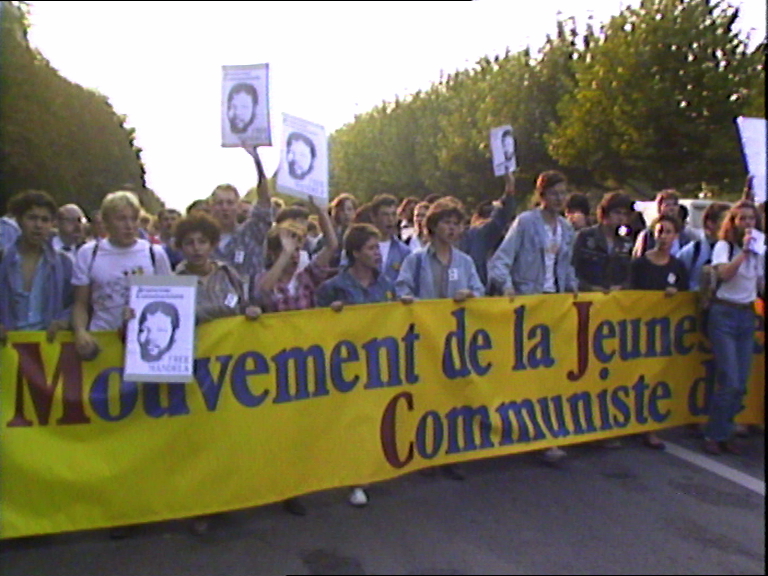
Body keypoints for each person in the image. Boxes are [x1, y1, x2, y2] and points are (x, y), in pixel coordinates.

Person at [171, 211, 261, 533]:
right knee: (198, 440)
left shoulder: (230, 273)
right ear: (180, 247)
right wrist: (221, 312)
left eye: (202, 242)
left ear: (212, 244)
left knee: (227, 434)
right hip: (196, 370)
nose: (196, 248)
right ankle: (201, 507)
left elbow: (245, 304)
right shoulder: (174, 282)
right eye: (189, 243)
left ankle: (230, 495)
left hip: (231, 367)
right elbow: (180, 318)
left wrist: (250, 311)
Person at [488, 170, 577, 463]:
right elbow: (500, 260)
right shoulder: (525, 223)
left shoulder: (566, 228)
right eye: (554, 194)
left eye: (563, 194)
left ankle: (546, 436)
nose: (560, 199)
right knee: (524, 375)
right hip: (528, 307)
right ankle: (514, 431)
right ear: (541, 196)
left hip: (556, 308)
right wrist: (510, 289)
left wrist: (574, 291)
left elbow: (567, 267)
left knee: (551, 376)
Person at [395, 198, 485, 480]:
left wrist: (469, 296)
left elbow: (480, 292)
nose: (452, 228)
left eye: (457, 223)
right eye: (447, 222)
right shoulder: (417, 260)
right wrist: (410, 301)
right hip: (424, 339)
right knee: (425, 396)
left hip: (457, 339)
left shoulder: (465, 261)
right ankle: (423, 453)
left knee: (453, 396)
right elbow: (401, 288)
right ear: (433, 226)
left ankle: (451, 453)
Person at [316, 223, 395, 507]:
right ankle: (354, 478)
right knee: (350, 422)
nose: (377, 253)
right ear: (355, 252)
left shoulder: (385, 284)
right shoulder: (333, 287)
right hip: (346, 368)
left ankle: (369, 471)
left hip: (378, 364)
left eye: (378, 248)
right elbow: (314, 326)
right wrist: (331, 315)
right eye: (372, 248)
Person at [71, 191, 172, 361]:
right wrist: (80, 332)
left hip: (143, 344)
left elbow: (169, 301)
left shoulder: (155, 254)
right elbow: (80, 303)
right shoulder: (89, 253)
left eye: (134, 219)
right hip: (102, 340)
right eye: (121, 219)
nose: (129, 225)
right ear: (106, 221)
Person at [702, 200, 765, 456]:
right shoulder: (724, 247)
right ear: (733, 222)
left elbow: (759, 285)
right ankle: (714, 434)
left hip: (746, 315)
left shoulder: (760, 252)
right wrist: (744, 253)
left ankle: (726, 430)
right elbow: (724, 274)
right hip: (724, 314)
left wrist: (756, 254)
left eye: (751, 219)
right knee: (729, 378)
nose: (747, 223)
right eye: (742, 219)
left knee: (741, 382)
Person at [629, 213, 690, 450]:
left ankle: (650, 427)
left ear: (676, 236)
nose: (663, 237)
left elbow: (686, 298)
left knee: (658, 378)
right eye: (659, 231)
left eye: (668, 232)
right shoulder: (640, 264)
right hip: (639, 331)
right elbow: (629, 296)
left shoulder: (678, 266)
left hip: (665, 334)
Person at [0, 190, 73, 344]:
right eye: (32, 218)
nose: (38, 225)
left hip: (47, 347)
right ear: (19, 221)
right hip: (6, 347)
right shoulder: (3, 260)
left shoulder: (63, 263)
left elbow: (75, 303)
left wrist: (63, 322)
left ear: (52, 224)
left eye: (45, 220)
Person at [209, 146, 272, 279]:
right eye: (219, 203)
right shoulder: (203, 242)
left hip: (249, 299)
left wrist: (257, 160)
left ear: (238, 206)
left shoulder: (251, 232)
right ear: (212, 207)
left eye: (230, 203)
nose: (225, 208)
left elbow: (264, 201)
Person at [459, 172, 517, 290]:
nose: (485, 222)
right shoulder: (424, 255)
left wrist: (509, 187)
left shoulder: (480, 236)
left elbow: (500, 218)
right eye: (447, 221)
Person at [571, 191, 634, 293]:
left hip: (613, 300)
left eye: (625, 214)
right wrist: (589, 288)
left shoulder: (626, 244)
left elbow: (629, 276)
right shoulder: (585, 236)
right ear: (605, 213)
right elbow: (572, 270)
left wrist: (621, 287)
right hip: (587, 298)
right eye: (617, 212)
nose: (620, 218)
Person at [675, 202, 731, 289]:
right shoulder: (692, 252)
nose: (730, 226)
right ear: (710, 223)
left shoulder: (734, 250)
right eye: (725, 221)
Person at [633, 189, 697, 257]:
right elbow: (639, 258)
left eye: (675, 204)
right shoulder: (648, 233)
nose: (672, 208)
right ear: (659, 208)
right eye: (667, 205)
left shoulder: (687, 233)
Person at [367, 194, 411, 283]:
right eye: (385, 215)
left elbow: (407, 283)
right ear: (373, 217)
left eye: (394, 214)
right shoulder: (359, 246)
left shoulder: (404, 251)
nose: (390, 219)